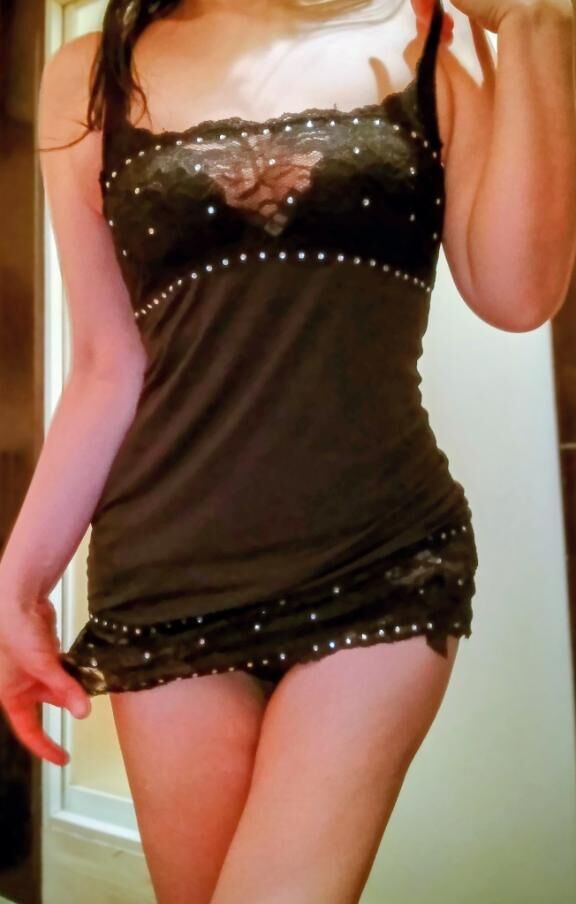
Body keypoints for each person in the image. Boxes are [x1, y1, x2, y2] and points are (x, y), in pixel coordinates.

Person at [1, 0, 573, 901]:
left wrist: (543, 25)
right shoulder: (91, 70)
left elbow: (519, 293)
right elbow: (109, 365)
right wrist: (20, 582)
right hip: (166, 582)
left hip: (380, 562)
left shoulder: (433, 43)